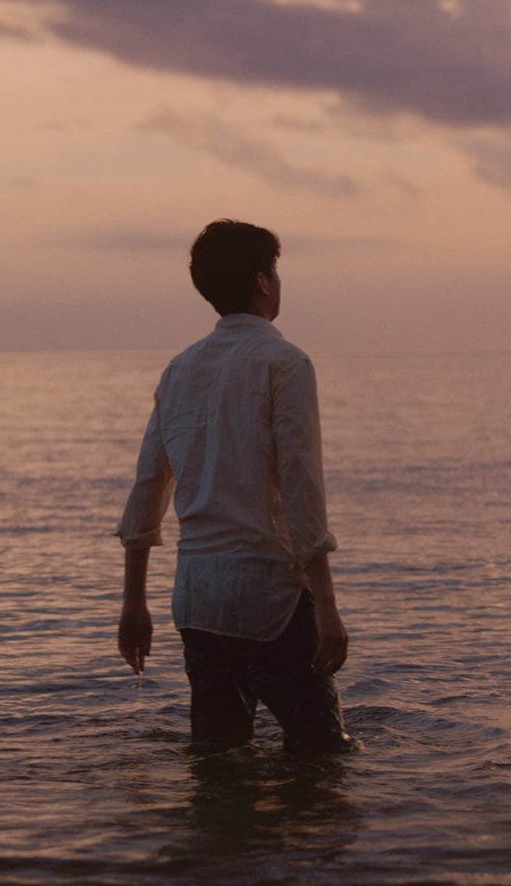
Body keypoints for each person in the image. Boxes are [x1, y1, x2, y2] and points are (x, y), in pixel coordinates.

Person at [116, 219, 353, 754]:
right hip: (268, 595)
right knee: (322, 760)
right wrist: (327, 606)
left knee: (218, 759)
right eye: (275, 270)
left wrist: (134, 601)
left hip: (198, 600)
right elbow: (301, 487)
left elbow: (147, 486)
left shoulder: (180, 369)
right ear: (263, 281)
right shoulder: (285, 363)